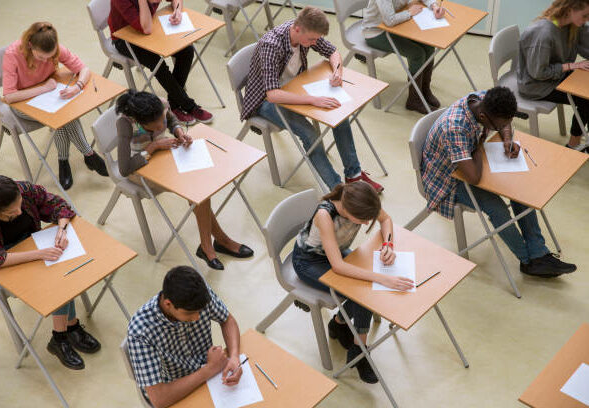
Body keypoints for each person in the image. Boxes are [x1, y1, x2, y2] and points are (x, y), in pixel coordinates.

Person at [421, 86, 576, 277]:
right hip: (446, 180)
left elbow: (504, 125)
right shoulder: (455, 128)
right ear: (484, 117)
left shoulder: (486, 99)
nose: (504, 126)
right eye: (499, 125)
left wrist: (507, 139)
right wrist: (479, 146)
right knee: (496, 208)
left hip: (467, 162)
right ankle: (528, 261)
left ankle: (538, 253)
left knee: (519, 189)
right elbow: (473, 177)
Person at [241, 6, 384, 193]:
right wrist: (313, 100)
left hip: (296, 89)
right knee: (310, 135)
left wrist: (337, 72)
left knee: (339, 114)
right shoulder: (272, 45)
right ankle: (337, 190)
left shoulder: (307, 32)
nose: (315, 43)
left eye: (317, 39)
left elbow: (333, 52)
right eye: (312, 40)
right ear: (297, 29)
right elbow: (273, 94)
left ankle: (354, 175)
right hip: (265, 101)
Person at [115, 90, 253, 270]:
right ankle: (217, 243)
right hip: (140, 168)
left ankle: (214, 244)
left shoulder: (161, 105)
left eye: (161, 121)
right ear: (141, 122)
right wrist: (153, 146)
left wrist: (179, 132)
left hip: (165, 156)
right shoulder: (125, 124)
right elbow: (124, 168)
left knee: (199, 187)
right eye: (155, 126)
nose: (161, 125)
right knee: (196, 190)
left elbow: (172, 120)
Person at [292, 181, 414, 383]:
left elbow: (386, 219)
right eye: (362, 220)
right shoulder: (325, 215)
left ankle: (340, 325)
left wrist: (388, 245)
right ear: (347, 210)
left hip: (335, 253)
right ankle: (359, 350)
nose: (366, 224)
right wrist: (383, 278)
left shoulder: (361, 201)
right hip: (309, 261)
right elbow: (338, 266)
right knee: (363, 293)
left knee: (366, 289)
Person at [0, 175, 100, 370]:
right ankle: (66, 331)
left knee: (64, 271)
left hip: (34, 245)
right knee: (59, 279)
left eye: (20, 205)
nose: (19, 212)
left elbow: (59, 205)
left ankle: (65, 332)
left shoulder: (24, 191)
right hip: (7, 263)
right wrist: (39, 254)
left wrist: (62, 230)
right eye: (11, 213)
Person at [2, 22, 108, 190]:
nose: (46, 61)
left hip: (49, 94)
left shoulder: (55, 48)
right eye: (41, 57)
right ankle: (88, 153)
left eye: (50, 57)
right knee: (60, 116)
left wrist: (77, 87)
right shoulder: (13, 55)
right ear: (30, 45)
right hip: (23, 103)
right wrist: (44, 89)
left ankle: (63, 161)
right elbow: (9, 96)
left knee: (62, 116)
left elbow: (83, 69)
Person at [127, 266, 242, 408]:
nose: (197, 317)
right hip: (176, 392)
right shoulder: (140, 332)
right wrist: (209, 369)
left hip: (208, 377)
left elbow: (227, 320)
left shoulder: (199, 294)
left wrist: (235, 357)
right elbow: (159, 398)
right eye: (190, 313)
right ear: (168, 304)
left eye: (200, 311)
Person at [108, 0, 213, 125]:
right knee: (157, 63)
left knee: (187, 51)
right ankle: (189, 106)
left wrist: (177, 11)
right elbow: (146, 28)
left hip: (149, 30)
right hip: (124, 38)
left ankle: (173, 104)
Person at [517, 0, 589, 151]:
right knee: (585, 99)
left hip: (556, 75)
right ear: (569, 10)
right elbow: (538, 73)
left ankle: (583, 138)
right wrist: (570, 66)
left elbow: (585, 47)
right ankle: (573, 145)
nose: (587, 20)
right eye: (585, 16)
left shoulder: (572, 25)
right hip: (536, 85)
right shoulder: (543, 34)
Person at [362, 0, 445, 114]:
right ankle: (414, 100)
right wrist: (409, 13)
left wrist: (434, 6)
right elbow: (390, 20)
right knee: (417, 54)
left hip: (397, 26)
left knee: (429, 46)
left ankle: (424, 90)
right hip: (376, 32)